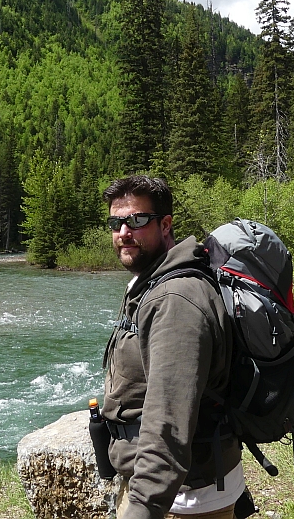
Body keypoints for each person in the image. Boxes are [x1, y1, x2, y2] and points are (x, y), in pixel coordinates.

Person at [101, 175, 243, 519]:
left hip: (182, 497)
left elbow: (168, 421)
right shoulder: (151, 281)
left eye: (137, 220)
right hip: (169, 486)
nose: (124, 232)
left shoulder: (175, 300)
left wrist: (142, 507)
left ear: (165, 225)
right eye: (116, 223)